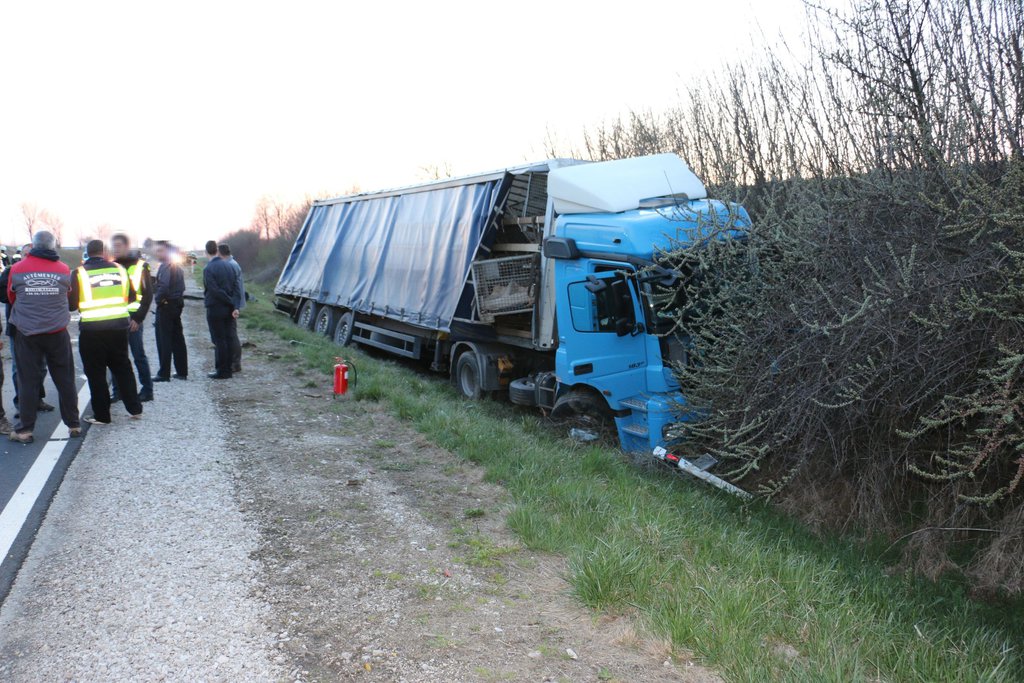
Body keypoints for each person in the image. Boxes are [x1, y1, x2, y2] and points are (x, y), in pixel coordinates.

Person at [6, 231, 81, 443]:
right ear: (53, 246)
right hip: (57, 332)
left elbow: (12, 296)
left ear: (34, 246)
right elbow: (67, 295)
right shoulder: (64, 269)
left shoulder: (18, 269)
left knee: (27, 380)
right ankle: (73, 424)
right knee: (65, 379)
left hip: (27, 333)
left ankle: (25, 430)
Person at [71, 240, 143, 425]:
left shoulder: (79, 273)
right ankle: (135, 409)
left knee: (96, 374)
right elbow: (133, 296)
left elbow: (71, 304)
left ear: (87, 253)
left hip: (92, 330)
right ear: (104, 252)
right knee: (123, 368)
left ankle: (102, 416)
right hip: (118, 327)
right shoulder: (119, 269)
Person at [0, 242, 55, 417]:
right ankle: (22, 404)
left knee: (41, 367)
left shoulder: (44, 273)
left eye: (31, 254)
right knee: (19, 369)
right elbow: (3, 296)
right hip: (18, 329)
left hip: (42, 328)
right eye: (25, 254)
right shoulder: (10, 272)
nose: (28, 258)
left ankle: (37, 399)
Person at [110, 234, 154, 402]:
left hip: (133, 319)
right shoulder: (112, 266)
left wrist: (138, 319)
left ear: (127, 247)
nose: (116, 249)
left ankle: (147, 390)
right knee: (116, 357)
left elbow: (148, 295)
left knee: (138, 355)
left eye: (119, 245)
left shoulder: (140, 266)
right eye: (114, 246)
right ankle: (118, 391)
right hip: (115, 319)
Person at [152, 241, 188, 381]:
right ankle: (182, 371)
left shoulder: (166, 266)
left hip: (167, 306)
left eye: (160, 251)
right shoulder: (176, 266)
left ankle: (164, 373)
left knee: (164, 339)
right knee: (178, 338)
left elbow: (164, 286)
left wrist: (158, 300)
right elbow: (182, 286)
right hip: (177, 304)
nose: (157, 253)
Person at [203, 240, 238, 379]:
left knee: (219, 340)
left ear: (206, 252)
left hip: (215, 307)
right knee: (228, 339)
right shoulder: (229, 266)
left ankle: (222, 371)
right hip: (228, 308)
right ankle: (228, 369)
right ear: (216, 250)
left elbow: (214, 290)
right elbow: (236, 288)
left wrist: (228, 301)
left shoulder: (208, 269)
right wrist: (233, 305)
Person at [218, 243, 245, 373]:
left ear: (220, 253)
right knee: (231, 334)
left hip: (233, 305)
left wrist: (235, 307)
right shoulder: (232, 263)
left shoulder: (230, 265)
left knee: (232, 334)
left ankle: (235, 363)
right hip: (234, 304)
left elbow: (236, 289)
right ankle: (234, 362)